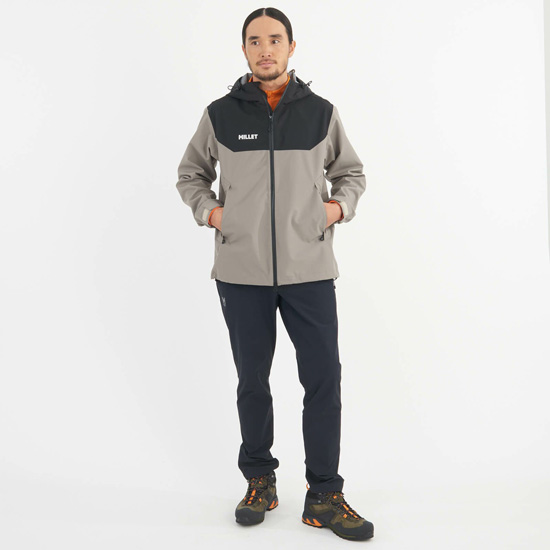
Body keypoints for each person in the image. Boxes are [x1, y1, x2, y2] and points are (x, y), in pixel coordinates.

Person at [175, 6, 374, 541]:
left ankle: (324, 494)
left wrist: (336, 209)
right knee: (252, 381)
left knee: (323, 379)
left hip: (310, 267)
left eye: (275, 39)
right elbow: (191, 174)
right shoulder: (220, 114)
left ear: (291, 47)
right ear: (244, 49)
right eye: (255, 40)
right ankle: (259, 480)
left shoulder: (320, 113)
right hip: (241, 271)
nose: (265, 49)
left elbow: (350, 172)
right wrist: (213, 214)